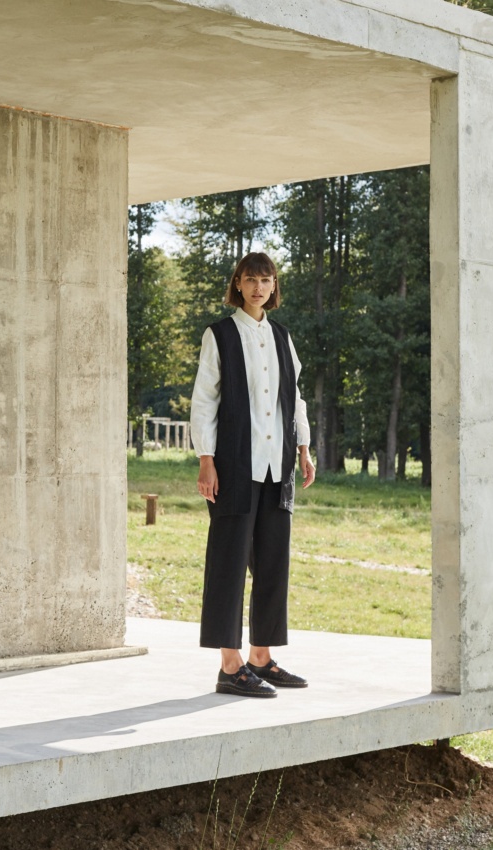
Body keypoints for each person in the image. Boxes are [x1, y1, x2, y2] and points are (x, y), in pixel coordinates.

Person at [190, 252, 316, 698]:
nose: (259, 287)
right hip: (233, 466)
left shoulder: (282, 337)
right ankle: (230, 665)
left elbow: (294, 397)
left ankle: (261, 657)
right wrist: (207, 458)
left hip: (276, 464)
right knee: (228, 561)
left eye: (266, 280)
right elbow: (205, 399)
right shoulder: (220, 335)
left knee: (271, 562)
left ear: (274, 285)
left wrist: (303, 446)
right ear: (238, 284)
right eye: (251, 280)